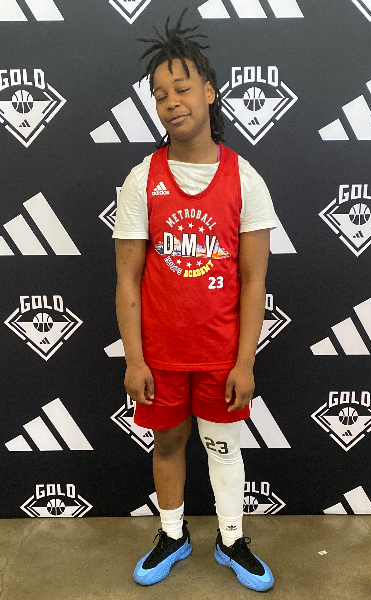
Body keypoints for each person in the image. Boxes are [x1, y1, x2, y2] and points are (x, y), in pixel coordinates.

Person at [113, 8, 277, 592]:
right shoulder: (142, 179)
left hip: (220, 353)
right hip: (160, 354)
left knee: (223, 446)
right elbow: (127, 279)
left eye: (181, 88)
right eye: (160, 95)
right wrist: (134, 359)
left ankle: (232, 541)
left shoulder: (246, 178)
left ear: (209, 90)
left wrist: (244, 361)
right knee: (168, 442)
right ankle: (173, 534)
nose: (171, 102)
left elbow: (253, 281)